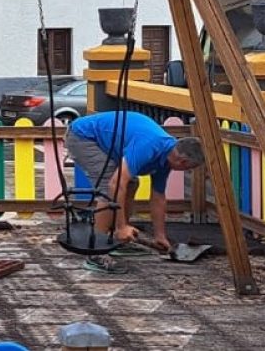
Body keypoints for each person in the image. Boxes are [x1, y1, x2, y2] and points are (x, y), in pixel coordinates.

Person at [65, 110, 205, 274]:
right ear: (183, 161)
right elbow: (115, 184)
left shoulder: (166, 157)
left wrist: (160, 235)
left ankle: (118, 240)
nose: (188, 172)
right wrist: (121, 226)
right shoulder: (149, 146)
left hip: (106, 140)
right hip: (83, 136)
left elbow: (158, 197)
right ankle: (96, 251)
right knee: (109, 188)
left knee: (131, 183)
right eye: (189, 169)